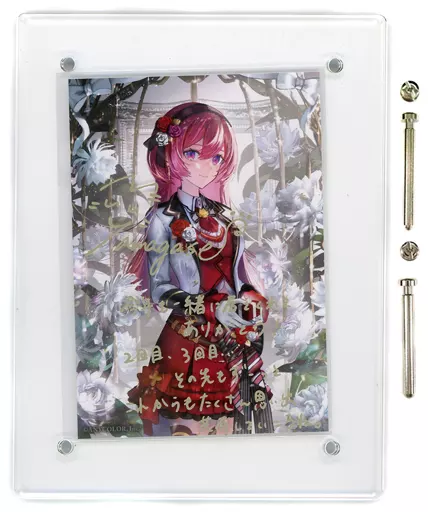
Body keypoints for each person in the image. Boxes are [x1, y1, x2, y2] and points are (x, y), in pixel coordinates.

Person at [127, 102, 273, 436]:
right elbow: (160, 290)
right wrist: (212, 308)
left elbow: (238, 279)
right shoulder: (161, 220)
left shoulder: (226, 218)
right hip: (187, 341)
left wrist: (250, 299)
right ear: (172, 153)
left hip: (232, 341)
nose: (206, 166)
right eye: (193, 153)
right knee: (184, 432)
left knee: (231, 432)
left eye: (216, 157)